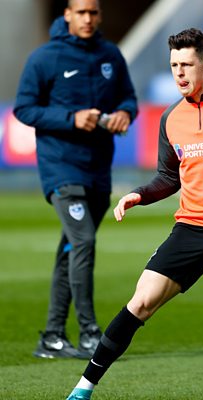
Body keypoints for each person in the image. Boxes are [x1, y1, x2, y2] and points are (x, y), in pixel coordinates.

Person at [66, 28, 203, 400]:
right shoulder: (170, 118)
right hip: (190, 228)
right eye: (174, 66)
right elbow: (169, 177)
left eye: (187, 65)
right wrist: (140, 194)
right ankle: (82, 388)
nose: (179, 73)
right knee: (141, 302)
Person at [13, 0, 138, 360]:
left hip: (98, 168)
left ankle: (52, 336)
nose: (88, 18)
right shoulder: (44, 57)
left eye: (93, 12)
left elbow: (128, 98)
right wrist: (71, 119)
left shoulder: (110, 54)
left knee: (71, 248)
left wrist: (124, 114)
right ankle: (89, 333)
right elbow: (24, 108)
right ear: (67, 14)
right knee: (83, 241)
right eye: (81, 12)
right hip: (61, 167)